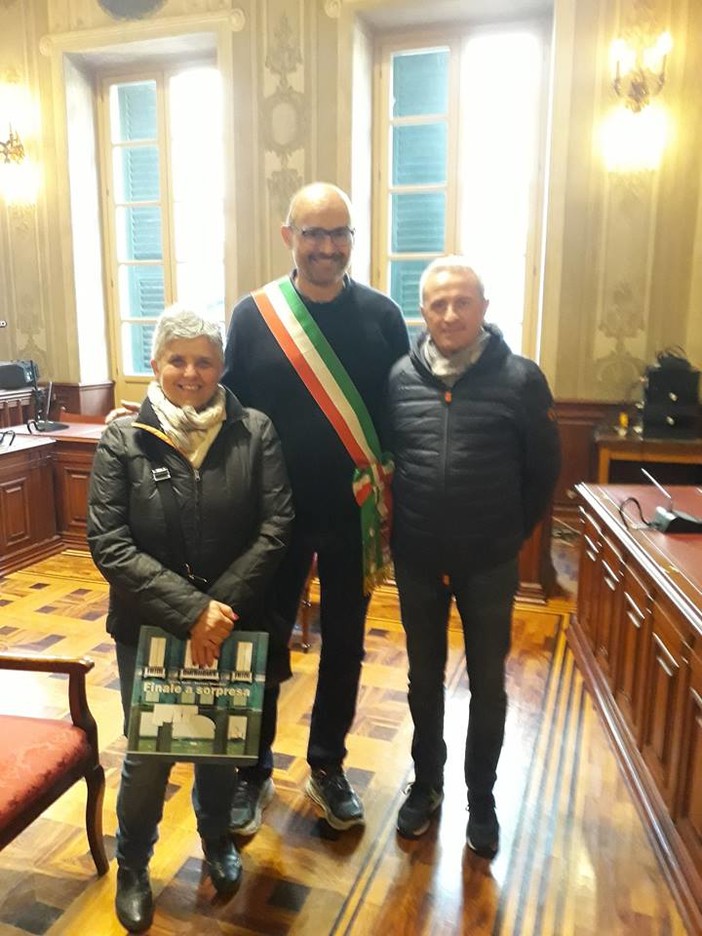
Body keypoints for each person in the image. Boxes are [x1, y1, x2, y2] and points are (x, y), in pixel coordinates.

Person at [87, 308, 293, 933]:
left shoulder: (254, 431)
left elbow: (277, 525)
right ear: (155, 364)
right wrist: (191, 611)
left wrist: (217, 611)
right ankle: (134, 866)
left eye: (204, 360)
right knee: (149, 754)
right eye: (177, 359)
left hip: (231, 623)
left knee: (218, 744)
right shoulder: (122, 439)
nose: (190, 372)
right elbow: (109, 543)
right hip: (148, 625)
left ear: (222, 366)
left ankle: (218, 843)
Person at [223, 182, 409, 833]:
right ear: (288, 237)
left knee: (346, 645)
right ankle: (251, 770)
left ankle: (327, 765)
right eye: (314, 233)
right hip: (271, 516)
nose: (328, 247)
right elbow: (224, 410)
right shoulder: (254, 316)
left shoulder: (384, 316)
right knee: (262, 640)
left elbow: (400, 411)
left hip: (353, 514)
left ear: (353, 239)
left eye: (340, 234)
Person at [386, 256, 560, 855]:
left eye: (463, 302)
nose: (451, 314)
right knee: (422, 679)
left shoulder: (520, 379)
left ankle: (480, 798)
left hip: (488, 563)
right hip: (416, 561)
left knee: (488, 684)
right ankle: (426, 785)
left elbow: (543, 473)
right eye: (438, 304)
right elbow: (392, 462)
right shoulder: (399, 379)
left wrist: (508, 535)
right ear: (424, 312)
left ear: (484, 307)